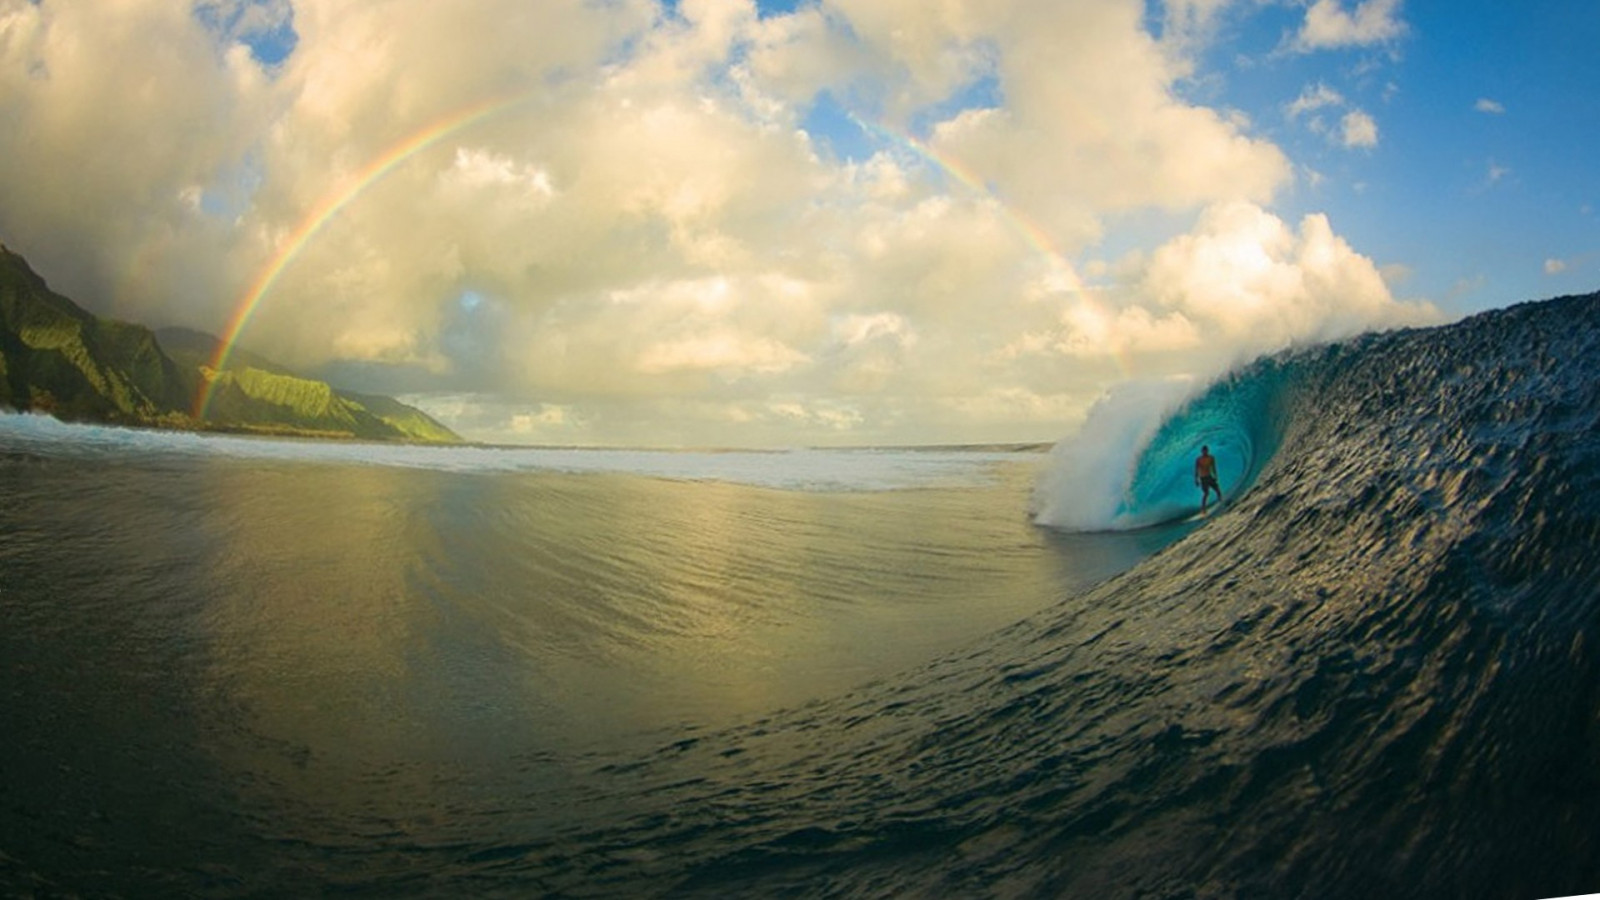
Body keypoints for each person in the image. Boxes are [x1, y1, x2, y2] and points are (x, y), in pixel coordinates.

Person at [1194, 445, 1221, 513]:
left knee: (1217, 489)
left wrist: (1215, 476)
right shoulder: (1198, 459)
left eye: (1206, 450)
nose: (1205, 452)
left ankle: (1221, 502)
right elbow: (1196, 470)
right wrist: (1196, 480)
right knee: (1206, 493)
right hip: (1203, 478)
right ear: (1202, 451)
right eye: (1204, 451)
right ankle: (1203, 509)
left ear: (1207, 450)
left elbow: (1213, 467)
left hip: (1209, 476)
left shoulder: (1211, 458)